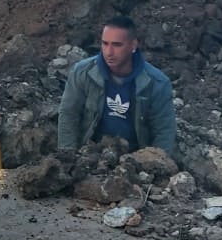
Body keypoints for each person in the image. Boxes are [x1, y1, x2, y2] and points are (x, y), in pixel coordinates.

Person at [57, 15, 177, 155]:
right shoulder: (82, 72)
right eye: (105, 43)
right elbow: (69, 114)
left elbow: (164, 131)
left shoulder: (157, 83)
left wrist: (155, 164)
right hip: (90, 154)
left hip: (135, 160)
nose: (109, 52)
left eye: (117, 45)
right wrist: (67, 157)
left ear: (133, 45)